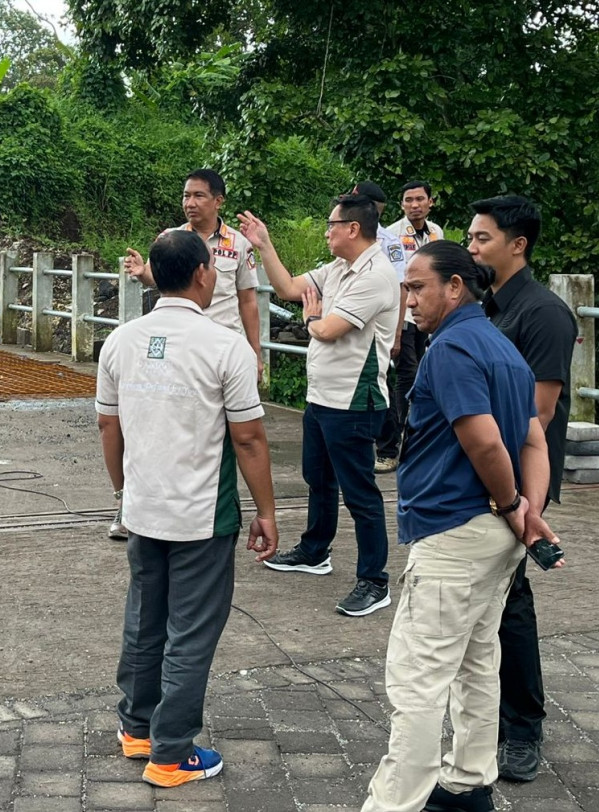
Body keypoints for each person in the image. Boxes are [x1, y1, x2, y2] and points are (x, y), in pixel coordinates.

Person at [360, 241, 563, 812]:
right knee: (478, 662)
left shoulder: (451, 349)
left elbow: (485, 440)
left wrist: (508, 503)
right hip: (495, 537)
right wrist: (529, 511)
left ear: (455, 287)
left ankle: (397, 801)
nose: (409, 299)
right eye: (406, 288)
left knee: (418, 677)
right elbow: (532, 440)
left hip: (455, 529)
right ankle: (468, 784)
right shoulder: (503, 349)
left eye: (418, 286)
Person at [96, 229, 278, 787]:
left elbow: (109, 423)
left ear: (154, 272)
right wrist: (267, 511)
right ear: (205, 274)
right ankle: (171, 755)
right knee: (191, 630)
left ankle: (137, 728)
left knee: (144, 619)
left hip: (143, 510)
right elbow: (247, 439)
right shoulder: (226, 348)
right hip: (202, 515)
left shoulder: (122, 340)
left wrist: (124, 492)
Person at [237, 194, 400, 617]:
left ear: (353, 228)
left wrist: (312, 320)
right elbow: (291, 288)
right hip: (322, 396)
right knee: (319, 479)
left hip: (354, 401)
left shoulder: (377, 275)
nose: (326, 231)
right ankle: (314, 550)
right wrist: (263, 244)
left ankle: (374, 580)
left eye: (331, 224)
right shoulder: (339, 268)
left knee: (360, 493)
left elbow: (327, 329)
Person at [467, 194, 577, 783]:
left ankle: (522, 729)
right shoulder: (484, 306)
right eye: (470, 238)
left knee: (510, 605)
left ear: (518, 245)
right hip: (479, 476)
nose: (473, 248)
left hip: (515, 479)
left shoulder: (544, 314)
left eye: (483, 238)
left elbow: (539, 407)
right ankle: (490, 720)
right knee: (489, 600)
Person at [108, 168, 262, 541]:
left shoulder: (240, 244)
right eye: (186, 196)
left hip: (222, 353)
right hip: (176, 350)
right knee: (160, 428)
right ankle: (131, 505)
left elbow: (248, 300)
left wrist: (255, 354)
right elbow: (166, 284)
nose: (190, 203)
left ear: (218, 200)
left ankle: (215, 509)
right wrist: (144, 274)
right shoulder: (170, 238)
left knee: (229, 434)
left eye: (198, 196)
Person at [351, 181, 407, 474]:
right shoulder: (347, 235)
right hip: (352, 325)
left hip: (379, 329)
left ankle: (388, 449)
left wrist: (397, 332)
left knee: (380, 384)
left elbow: (401, 289)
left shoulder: (389, 242)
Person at [389, 180, 444, 460]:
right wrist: (396, 330)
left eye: (419, 199)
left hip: (428, 315)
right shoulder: (392, 235)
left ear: (430, 202)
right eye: (408, 200)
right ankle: (397, 437)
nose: (414, 205)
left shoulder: (436, 233)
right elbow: (395, 283)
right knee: (407, 373)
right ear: (402, 205)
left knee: (422, 372)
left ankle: (418, 430)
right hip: (401, 313)